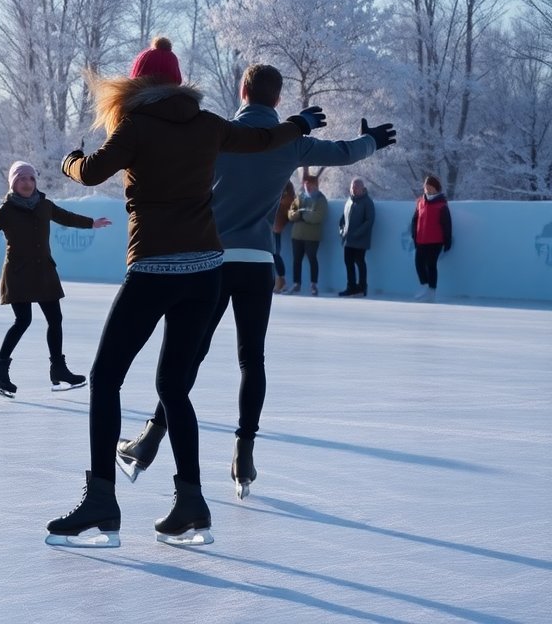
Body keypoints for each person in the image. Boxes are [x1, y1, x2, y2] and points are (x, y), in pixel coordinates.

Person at [44, 39, 327, 549]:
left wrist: (68, 162)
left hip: (155, 266)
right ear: (178, 83)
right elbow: (262, 143)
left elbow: (90, 172)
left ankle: (101, 502)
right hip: (206, 271)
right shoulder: (209, 124)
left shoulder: (135, 126)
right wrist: (299, 126)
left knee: (107, 377)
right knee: (174, 386)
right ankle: (191, 504)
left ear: (136, 84)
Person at [113, 64, 395, 501]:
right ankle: (244, 452)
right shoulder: (289, 142)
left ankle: (151, 438)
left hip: (210, 260)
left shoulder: (219, 134)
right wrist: (371, 139)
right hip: (259, 262)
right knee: (252, 360)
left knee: (187, 360)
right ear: (278, 100)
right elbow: (342, 152)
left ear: (243, 90)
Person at [0, 161, 112, 397]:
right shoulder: (6, 210)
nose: (27, 183)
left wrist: (91, 223)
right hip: (18, 274)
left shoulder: (44, 205)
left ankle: (58, 369)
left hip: (44, 272)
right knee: (23, 320)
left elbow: (66, 217)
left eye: (30, 179)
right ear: (13, 184)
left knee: (55, 319)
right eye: (21, 179)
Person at [410, 175, 452, 302]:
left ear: (435, 188)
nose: (427, 189)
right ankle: (425, 287)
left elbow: (447, 224)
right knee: (418, 264)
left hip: (435, 241)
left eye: (429, 187)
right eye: (425, 187)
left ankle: (432, 292)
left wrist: (447, 241)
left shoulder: (441, 205)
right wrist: (414, 235)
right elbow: (415, 220)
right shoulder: (420, 202)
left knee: (431, 265)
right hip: (421, 239)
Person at [286, 173, 328, 295]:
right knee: (296, 260)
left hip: (312, 236)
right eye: (306, 185)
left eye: (310, 185)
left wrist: (303, 214)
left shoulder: (320, 199)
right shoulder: (300, 197)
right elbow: (291, 213)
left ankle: (313, 284)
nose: (307, 187)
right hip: (297, 235)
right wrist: (298, 214)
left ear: (316, 185)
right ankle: (296, 283)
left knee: (312, 259)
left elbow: (318, 216)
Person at [338, 178, 375, 297]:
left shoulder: (367, 202)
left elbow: (369, 220)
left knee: (359, 261)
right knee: (348, 262)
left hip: (360, 239)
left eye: (356, 187)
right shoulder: (349, 201)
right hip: (348, 239)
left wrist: (358, 232)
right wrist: (342, 230)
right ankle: (351, 286)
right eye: (352, 187)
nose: (353, 190)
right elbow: (343, 218)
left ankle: (362, 287)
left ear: (362, 188)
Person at [272, 182, 295, 293]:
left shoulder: (287, 185)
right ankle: (277, 281)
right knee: (271, 254)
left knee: (275, 253)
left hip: (276, 225)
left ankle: (281, 281)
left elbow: (289, 203)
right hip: (270, 224)